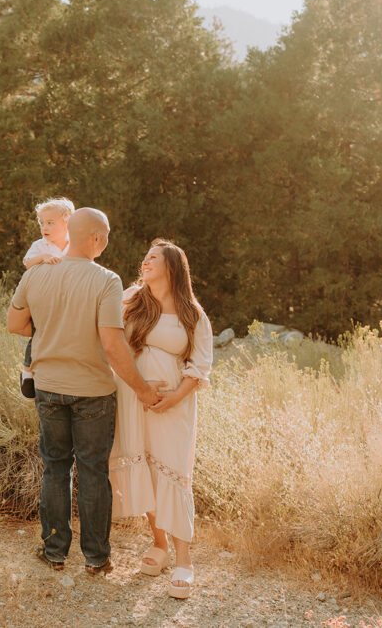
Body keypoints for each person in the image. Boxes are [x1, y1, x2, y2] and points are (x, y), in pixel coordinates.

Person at [7, 208, 161, 575]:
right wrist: (141, 389)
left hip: (48, 387)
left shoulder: (36, 274)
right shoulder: (106, 280)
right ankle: (96, 558)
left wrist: (51, 329)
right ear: (96, 239)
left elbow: (15, 324)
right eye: (105, 235)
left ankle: (55, 552)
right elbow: (112, 344)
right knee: (93, 472)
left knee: (55, 469)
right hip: (93, 391)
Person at [108, 239, 213, 599]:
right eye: (146, 257)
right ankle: (159, 544)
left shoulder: (192, 313)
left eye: (154, 258)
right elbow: (109, 341)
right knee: (144, 471)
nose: (145, 261)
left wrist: (173, 398)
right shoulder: (129, 299)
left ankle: (184, 560)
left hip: (173, 407)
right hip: (133, 400)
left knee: (174, 473)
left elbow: (200, 366)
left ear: (172, 266)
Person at [19, 198, 74, 399]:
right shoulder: (40, 246)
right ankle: (27, 372)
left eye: (50, 222)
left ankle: (64, 369)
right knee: (39, 332)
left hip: (68, 300)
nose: (45, 227)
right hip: (44, 298)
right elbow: (27, 263)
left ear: (67, 223)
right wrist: (42, 258)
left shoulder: (74, 244)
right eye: (42, 223)